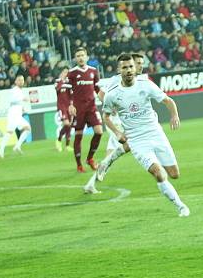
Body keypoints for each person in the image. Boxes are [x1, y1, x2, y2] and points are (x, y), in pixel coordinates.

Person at [102, 53, 189, 217]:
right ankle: (181, 206)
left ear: (135, 68)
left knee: (174, 174)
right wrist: (117, 132)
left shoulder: (146, 85)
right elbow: (105, 116)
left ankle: (164, 181)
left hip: (156, 133)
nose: (128, 70)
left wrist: (174, 115)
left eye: (130, 67)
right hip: (137, 141)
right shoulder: (112, 94)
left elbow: (168, 101)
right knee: (159, 173)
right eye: (124, 67)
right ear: (118, 70)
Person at [83, 53, 147, 194]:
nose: (141, 66)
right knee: (129, 144)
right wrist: (111, 108)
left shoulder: (138, 81)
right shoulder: (117, 79)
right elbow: (100, 93)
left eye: (142, 63)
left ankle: (91, 183)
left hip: (124, 121)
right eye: (138, 63)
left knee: (111, 154)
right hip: (116, 122)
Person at [68, 47, 103, 173]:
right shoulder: (72, 73)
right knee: (78, 136)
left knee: (99, 132)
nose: (81, 58)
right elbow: (67, 91)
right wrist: (70, 105)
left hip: (91, 108)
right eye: (78, 56)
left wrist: (106, 102)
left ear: (87, 57)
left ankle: (90, 158)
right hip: (78, 110)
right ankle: (79, 165)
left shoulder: (93, 71)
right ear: (75, 58)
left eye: (82, 55)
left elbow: (97, 89)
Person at [0, 75, 31, 158]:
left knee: (27, 129)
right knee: (9, 132)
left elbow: (17, 101)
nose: (21, 81)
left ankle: (17, 146)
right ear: (15, 82)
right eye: (19, 80)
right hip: (13, 114)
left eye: (22, 80)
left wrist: (22, 108)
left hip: (18, 114)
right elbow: (13, 100)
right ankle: (0, 151)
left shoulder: (19, 90)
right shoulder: (14, 90)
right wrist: (23, 98)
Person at [54, 67, 73, 152]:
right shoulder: (57, 81)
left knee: (69, 126)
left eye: (67, 72)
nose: (66, 74)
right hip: (61, 106)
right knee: (66, 124)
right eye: (64, 72)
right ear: (61, 73)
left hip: (69, 106)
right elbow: (57, 89)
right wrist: (61, 80)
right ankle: (58, 140)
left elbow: (72, 94)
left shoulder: (69, 82)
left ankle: (67, 145)